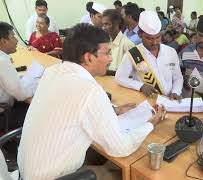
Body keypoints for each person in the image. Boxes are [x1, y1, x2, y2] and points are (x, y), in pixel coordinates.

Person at [17, 23, 165, 179]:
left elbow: (70, 108)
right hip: (52, 176)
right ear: (88, 58)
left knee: (102, 159)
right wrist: (150, 123)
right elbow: (121, 147)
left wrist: (115, 111)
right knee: (119, 172)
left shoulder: (52, 72)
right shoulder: (90, 91)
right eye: (107, 53)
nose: (110, 59)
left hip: (27, 170)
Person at [115, 11, 183, 99]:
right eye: (149, 38)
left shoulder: (171, 52)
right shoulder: (134, 54)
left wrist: (176, 92)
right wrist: (141, 86)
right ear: (140, 34)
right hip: (147, 100)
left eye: (157, 37)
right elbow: (120, 77)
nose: (154, 42)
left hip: (169, 100)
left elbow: (178, 77)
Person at [0, 22, 33, 130]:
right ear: (4, 41)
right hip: (4, 114)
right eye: (13, 36)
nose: (16, 40)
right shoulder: (2, 61)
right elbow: (19, 93)